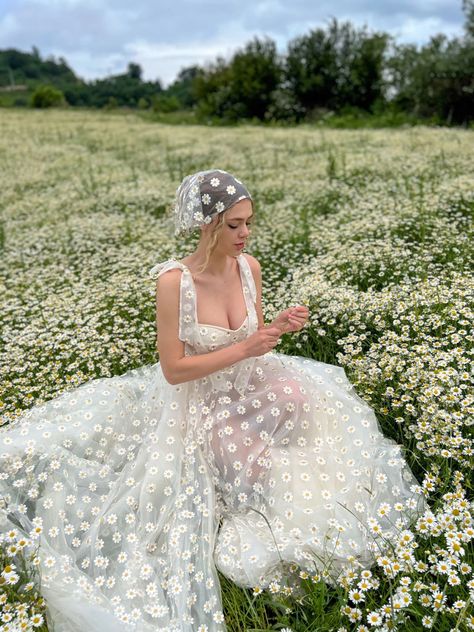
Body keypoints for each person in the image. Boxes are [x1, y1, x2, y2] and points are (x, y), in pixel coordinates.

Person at [0, 169, 426, 632]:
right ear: (207, 224)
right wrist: (244, 348)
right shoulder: (174, 282)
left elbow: (254, 338)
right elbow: (174, 369)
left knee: (305, 398)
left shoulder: (250, 268)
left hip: (248, 380)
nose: (245, 234)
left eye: (249, 223)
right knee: (250, 465)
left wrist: (277, 326)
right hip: (197, 395)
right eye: (234, 225)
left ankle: (317, 502)